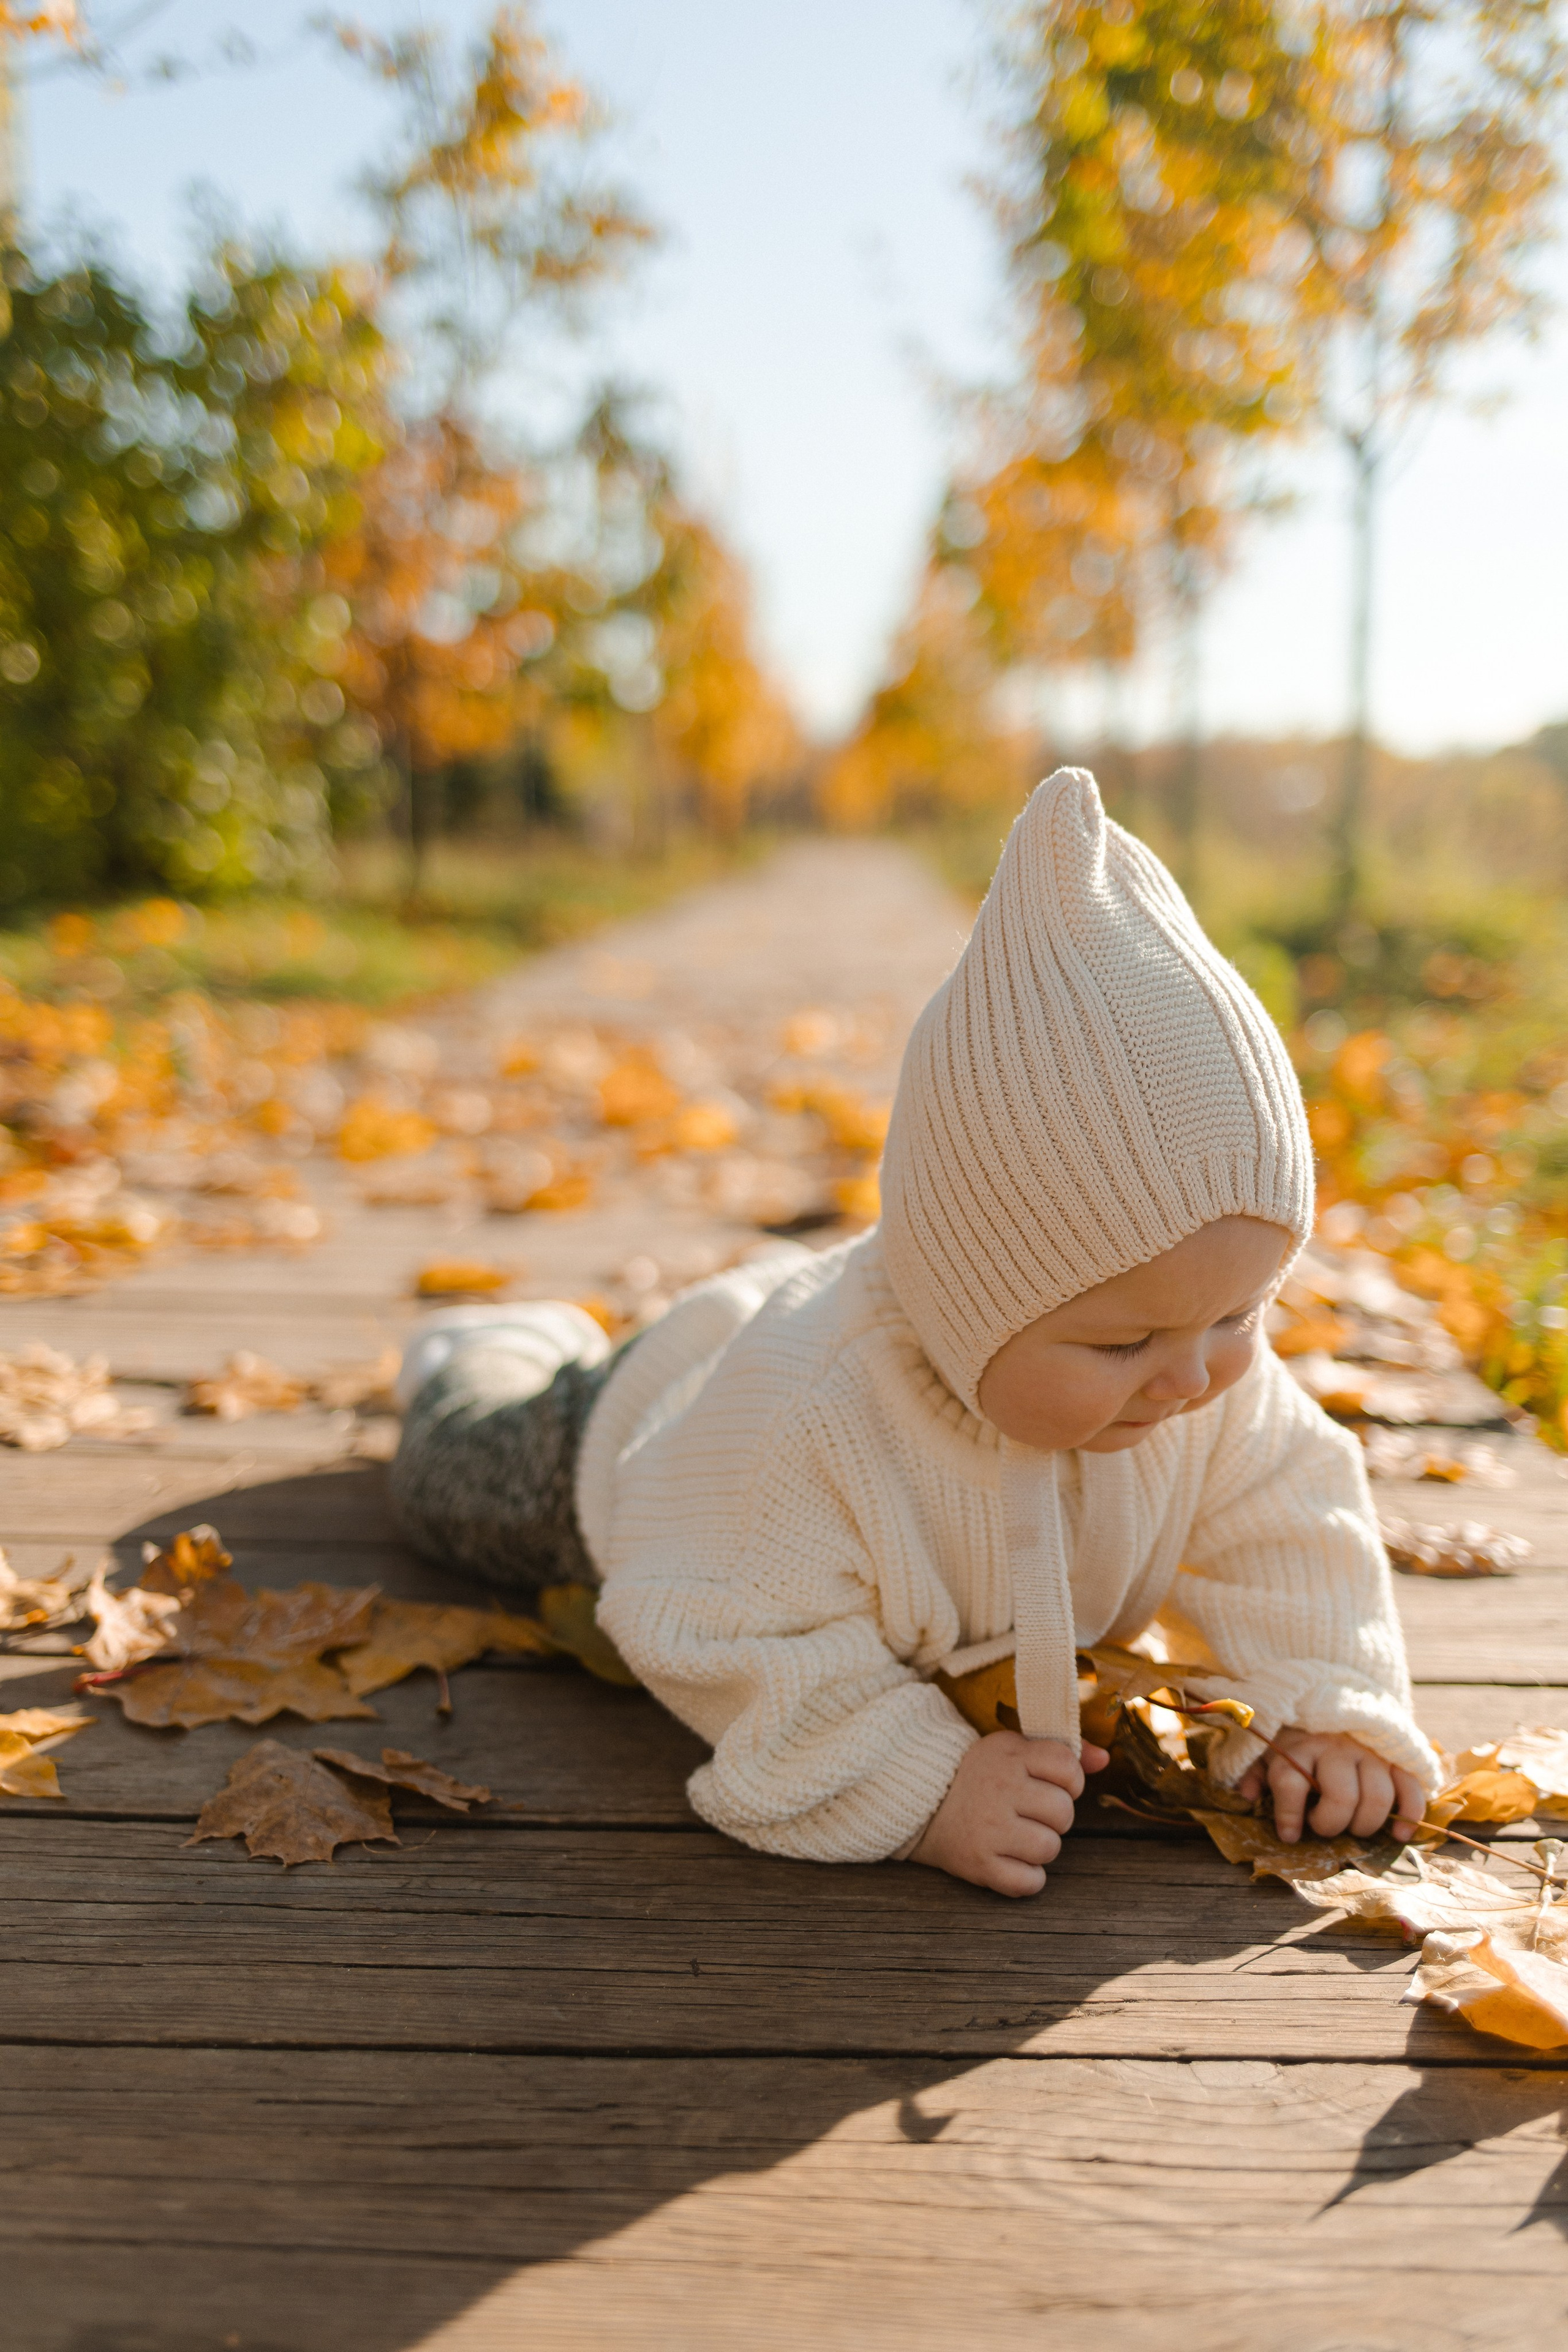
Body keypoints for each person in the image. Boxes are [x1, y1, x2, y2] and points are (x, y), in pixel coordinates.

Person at [391, 769, 1441, 1897]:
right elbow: (718, 1622)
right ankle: (498, 1346)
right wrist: (918, 1783)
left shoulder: (1199, 1366)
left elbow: (1294, 1523)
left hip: (785, 1331)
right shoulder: (803, 1431)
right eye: (1118, 1345)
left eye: (1241, 1312)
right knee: (444, 1473)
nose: (1194, 1376)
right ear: (970, 1304)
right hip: (619, 1444)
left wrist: (1328, 1702)